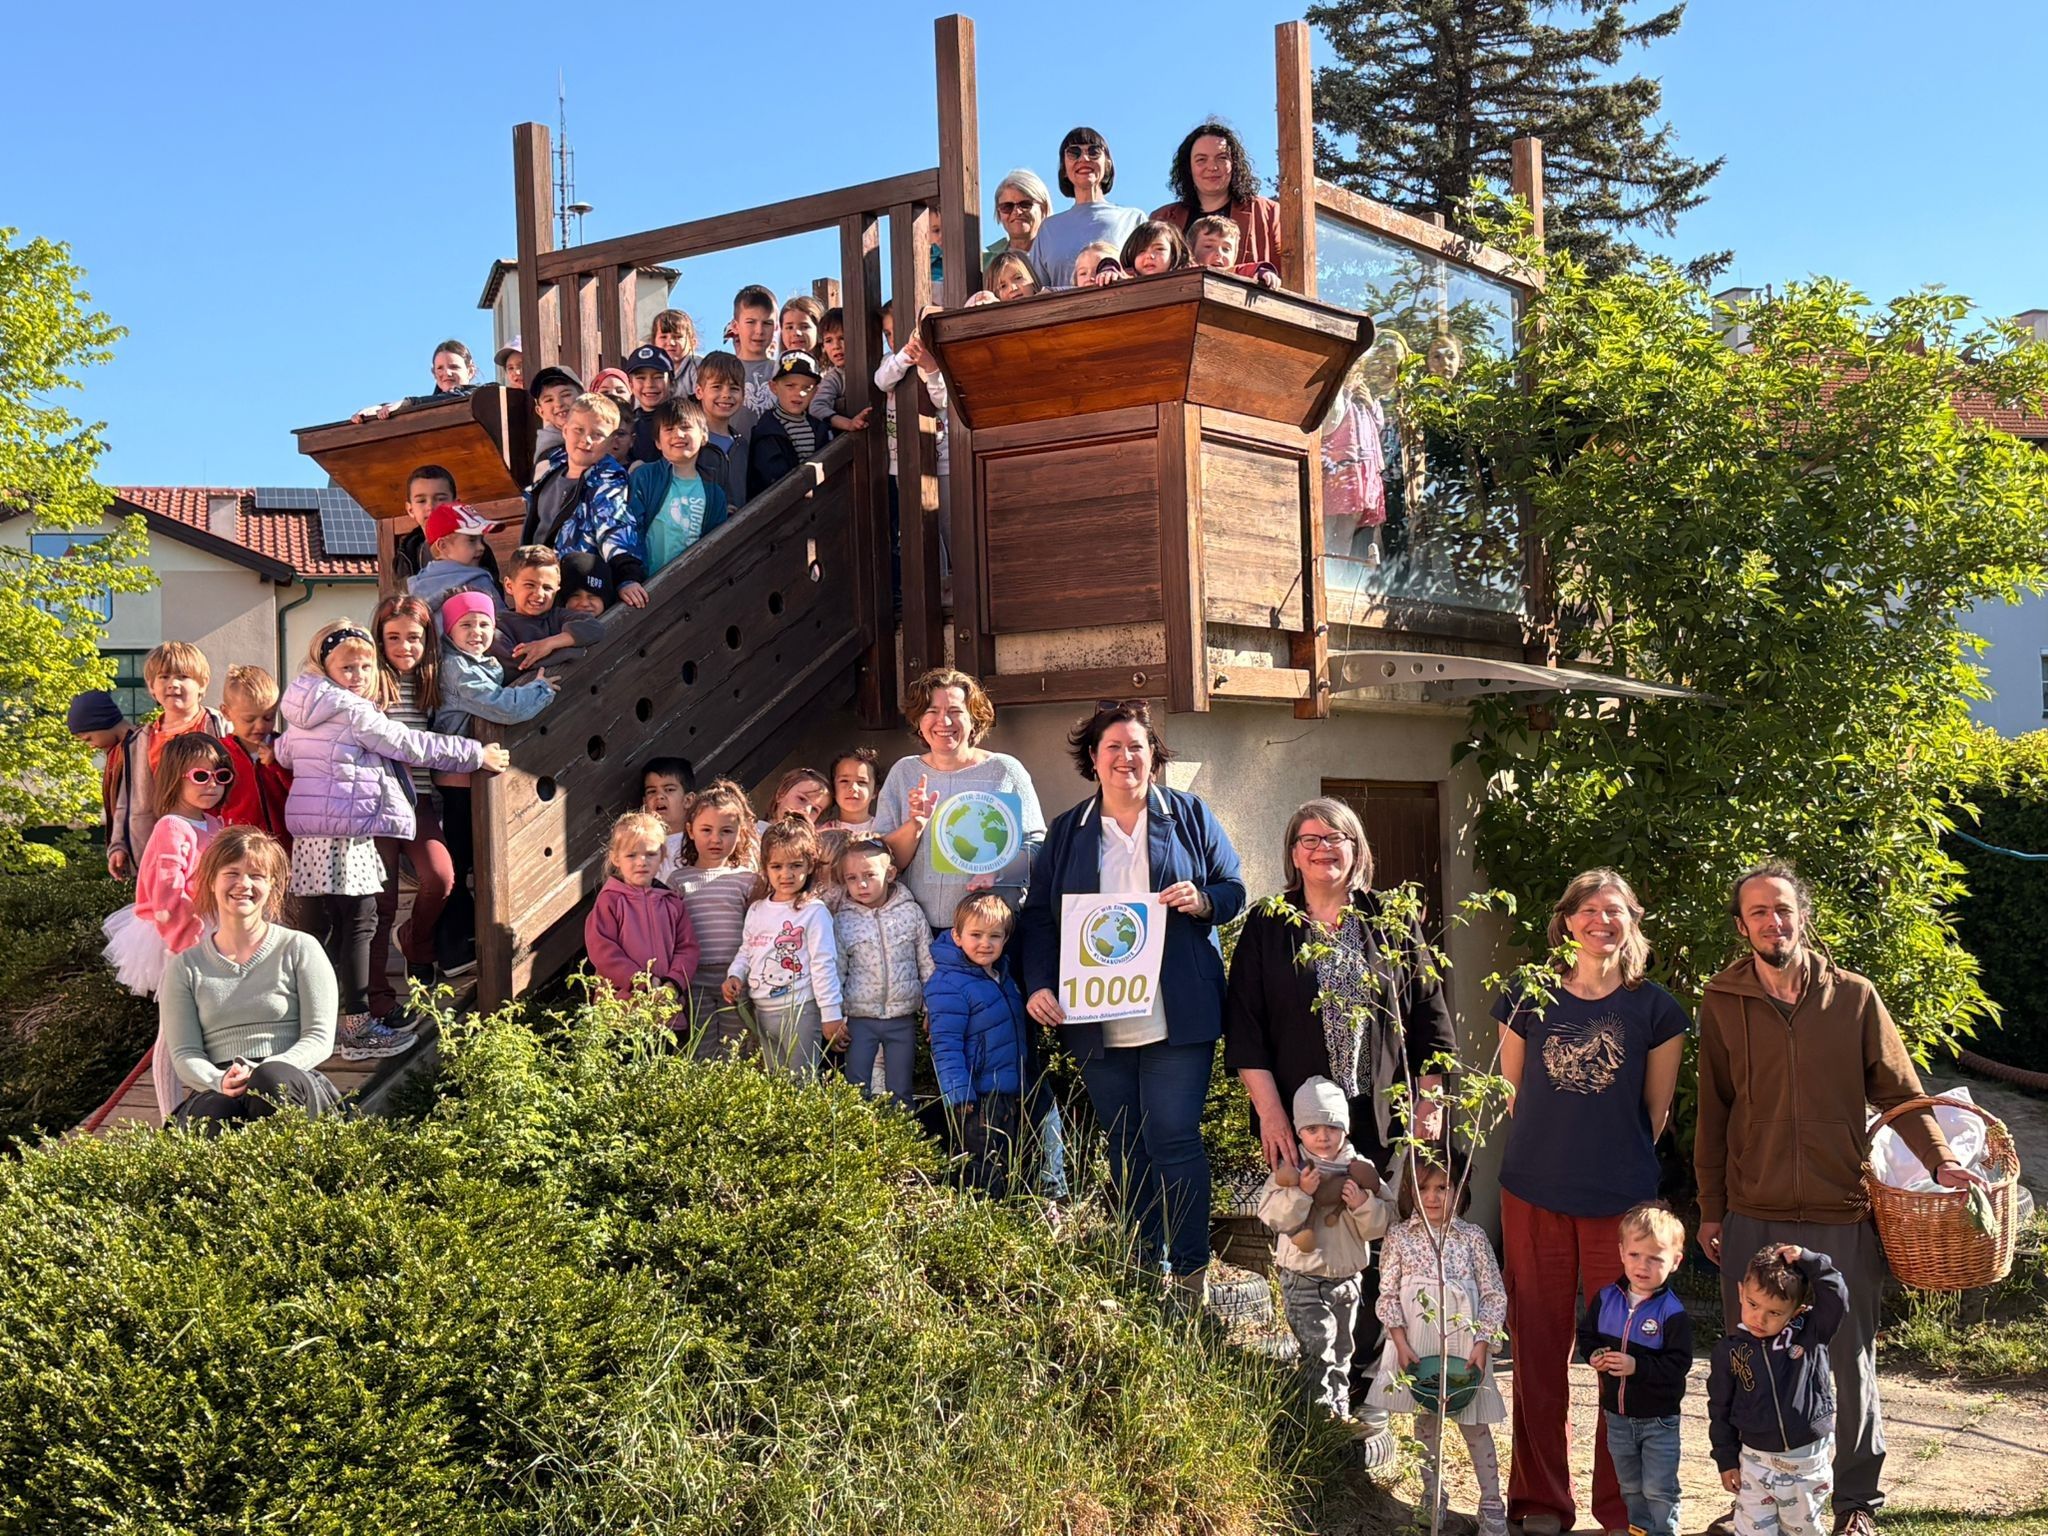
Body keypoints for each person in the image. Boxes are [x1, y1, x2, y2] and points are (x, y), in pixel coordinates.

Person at [1695, 862, 1976, 1536]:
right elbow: (1713, 1109)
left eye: (1783, 908)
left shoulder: (1854, 998)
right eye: (1758, 912)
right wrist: (1710, 1207)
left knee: (1846, 1362)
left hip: (1837, 1208)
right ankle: (1756, 1494)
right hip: (1752, 1209)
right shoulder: (1721, 999)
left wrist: (1940, 1160)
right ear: (1742, 926)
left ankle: (1854, 1503)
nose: (1774, 921)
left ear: (1803, 915)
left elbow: (1902, 1092)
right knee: (1752, 1361)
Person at [1223, 794, 1454, 1463]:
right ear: (1292, 854)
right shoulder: (1270, 923)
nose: (1323, 849)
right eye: (1308, 839)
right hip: (1298, 1119)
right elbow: (1246, 1026)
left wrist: (1429, 1100)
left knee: (1373, 1246)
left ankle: (1365, 1398)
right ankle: (1315, 1389)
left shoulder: (1391, 920)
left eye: (1336, 838)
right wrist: (1270, 1114)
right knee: (1307, 1244)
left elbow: (1430, 1014)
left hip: (1376, 1118)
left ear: (1358, 852)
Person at [1019, 699, 1245, 1294]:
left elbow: (1234, 887)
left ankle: (1192, 1273)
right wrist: (1039, 983)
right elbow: (1041, 917)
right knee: (1124, 1145)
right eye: (1113, 747)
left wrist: (1202, 900)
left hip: (1176, 1014)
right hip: (1095, 1015)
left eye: (1136, 746)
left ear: (1153, 756)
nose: (1125, 757)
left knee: (1172, 1136)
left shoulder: (1190, 815)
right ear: (1093, 759)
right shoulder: (1069, 830)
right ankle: (1146, 1265)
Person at [1493, 868, 1688, 1536]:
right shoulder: (1527, 994)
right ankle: (1541, 1502)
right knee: (1536, 1352)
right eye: (1589, 910)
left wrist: (1607, 1162)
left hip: (1621, 1207)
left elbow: (1655, 1113)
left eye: (1616, 911)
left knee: (1618, 1357)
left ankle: (1621, 1509)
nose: (1601, 921)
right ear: (1567, 920)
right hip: (1533, 1194)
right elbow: (1513, 1093)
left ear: (1633, 920)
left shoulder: (1655, 1008)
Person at [278, 618, 508, 1061]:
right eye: (348, 667)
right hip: (348, 834)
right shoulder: (352, 710)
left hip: (310, 838)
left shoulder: (301, 710)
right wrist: (477, 753)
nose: (360, 676)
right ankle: (358, 1028)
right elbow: (408, 744)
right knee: (360, 926)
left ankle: (316, 1023)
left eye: (366, 667)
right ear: (324, 666)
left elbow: (285, 752)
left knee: (327, 930)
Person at [160, 827, 344, 1132]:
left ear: (273, 885)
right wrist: (217, 1080)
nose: (243, 884)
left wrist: (265, 1068)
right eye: (231, 873)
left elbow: (319, 1039)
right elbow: (184, 1053)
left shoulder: (300, 948)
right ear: (211, 880)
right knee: (213, 1110)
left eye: (256, 875)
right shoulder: (185, 967)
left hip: (289, 1076)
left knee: (271, 1081)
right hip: (219, 1082)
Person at [1365, 1150, 1507, 1536]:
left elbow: (1495, 1294)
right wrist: (1398, 1340)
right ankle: (1432, 1498)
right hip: (1416, 1343)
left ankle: (1492, 1505)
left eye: (1443, 1187)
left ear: (1460, 1189)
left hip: (1466, 1346)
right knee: (1425, 1422)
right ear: (1411, 1189)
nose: (1432, 1197)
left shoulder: (1473, 1237)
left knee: (1474, 1425)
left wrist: (1483, 1342)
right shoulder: (1399, 1236)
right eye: (1424, 1188)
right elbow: (1388, 1294)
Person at [1258, 1078, 1394, 1422]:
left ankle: (1338, 1411)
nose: (1323, 1136)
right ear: (1299, 1132)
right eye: (1312, 1128)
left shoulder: (1361, 1170)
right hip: (1303, 1276)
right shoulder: (1291, 1169)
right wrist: (1302, 1193)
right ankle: (1315, 1418)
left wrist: (1363, 1204)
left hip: (1347, 1278)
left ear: (1345, 1129)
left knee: (1342, 1351)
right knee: (1319, 1346)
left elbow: (1384, 1224)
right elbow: (1272, 1215)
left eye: (1332, 1126)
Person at [1708, 1245, 1850, 1536]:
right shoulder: (1730, 1350)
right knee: (1751, 1530)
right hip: (1754, 1460)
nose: (1759, 1319)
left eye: (1774, 1312)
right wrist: (1725, 1458)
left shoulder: (1810, 1333)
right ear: (1740, 1292)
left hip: (1805, 1460)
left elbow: (1837, 1298)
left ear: (1796, 1311)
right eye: (1752, 1304)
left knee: (1801, 1530)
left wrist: (1813, 1262)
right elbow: (1720, 1407)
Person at [1576, 1202, 1695, 1536]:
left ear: (1675, 1262)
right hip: (1617, 1417)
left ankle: (1663, 1532)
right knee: (1629, 1486)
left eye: (1655, 1258)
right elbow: (1586, 1335)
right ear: (1621, 1252)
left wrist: (1637, 1366)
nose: (1643, 1266)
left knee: (1659, 1488)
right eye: (1635, 1255)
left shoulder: (1672, 1313)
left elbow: (1678, 1365)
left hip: (1658, 1420)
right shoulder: (1606, 1299)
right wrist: (1595, 1354)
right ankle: (1638, 1531)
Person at [367, 594, 455, 1028]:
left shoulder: (431, 683)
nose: (404, 646)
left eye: (414, 638)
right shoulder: (369, 685)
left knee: (440, 877)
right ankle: (378, 997)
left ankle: (416, 943)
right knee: (379, 902)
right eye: (393, 638)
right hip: (378, 805)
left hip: (418, 801)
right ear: (379, 641)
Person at [101, 730, 232, 1000]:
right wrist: (189, 945)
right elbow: (167, 894)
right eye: (200, 776)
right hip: (176, 933)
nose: (212, 785)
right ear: (175, 778)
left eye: (220, 776)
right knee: (182, 1016)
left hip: (212, 926)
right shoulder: (171, 828)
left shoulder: (215, 824)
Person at [106, 641, 253, 878]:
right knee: (169, 904)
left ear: (202, 684)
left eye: (183, 676)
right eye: (163, 677)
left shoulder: (221, 727)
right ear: (152, 687)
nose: (173, 684)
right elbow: (127, 799)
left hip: (214, 840)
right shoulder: (141, 740)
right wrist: (119, 844)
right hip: (163, 846)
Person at [722, 817, 842, 1077]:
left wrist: (831, 1014)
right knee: (776, 1081)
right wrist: (735, 975)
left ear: (810, 865)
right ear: (765, 867)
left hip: (801, 1010)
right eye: (776, 866)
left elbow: (824, 964)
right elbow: (747, 950)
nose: (785, 874)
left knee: (801, 1080)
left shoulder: (814, 911)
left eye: (795, 865)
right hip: (762, 1011)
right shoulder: (757, 909)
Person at [928, 892, 1029, 1194]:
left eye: (994, 936)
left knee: (1006, 1160)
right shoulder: (948, 983)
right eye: (976, 935)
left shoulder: (1003, 977)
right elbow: (945, 1044)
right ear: (957, 936)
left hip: (1006, 1091)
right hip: (976, 1095)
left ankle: (1005, 1219)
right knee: (980, 1164)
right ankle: (982, 1220)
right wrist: (959, 1094)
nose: (985, 943)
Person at [521, 392, 648, 610]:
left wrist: (627, 575)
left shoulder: (607, 479)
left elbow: (615, 524)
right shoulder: (550, 472)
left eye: (597, 434)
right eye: (579, 430)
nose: (586, 440)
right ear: (565, 430)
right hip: (543, 586)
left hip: (582, 590)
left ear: (610, 443)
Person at [834, 835, 935, 1107]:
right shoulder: (843, 921)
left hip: (901, 1017)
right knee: (856, 1087)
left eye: (869, 875)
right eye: (851, 878)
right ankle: (857, 1139)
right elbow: (838, 971)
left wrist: (931, 1008)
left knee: (900, 1087)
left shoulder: (910, 913)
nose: (861, 885)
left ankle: (903, 1138)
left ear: (889, 874)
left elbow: (927, 963)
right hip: (859, 1019)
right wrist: (836, 1016)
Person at [584, 810, 700, 1026]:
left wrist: (672, 985)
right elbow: (603, 950)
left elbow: (688, 949)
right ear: (615, 858)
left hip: (665, 1012)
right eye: (631, 855)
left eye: (650, 854)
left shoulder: (672, 903)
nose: (641, 862)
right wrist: (642, 982)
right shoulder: (610, 901)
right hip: (620, 1013)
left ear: (662, 855)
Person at [670, 779, 759, 1053]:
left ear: (740, 833)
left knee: (738, 1047)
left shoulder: (746, 879)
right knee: (701, 1047)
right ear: (690, 831)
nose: (716, 839)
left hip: (734, 977)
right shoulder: (678, 880)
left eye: (726, 831)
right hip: (694, 977)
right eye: (706, 830)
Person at [1150, 121, 1283, 268]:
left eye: (1222, 158)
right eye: (1201, 160)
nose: (1212, 167)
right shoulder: (1162, 218)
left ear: (1235, 164)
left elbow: (1291, 273)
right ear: (1188, 167)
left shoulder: (1268, 213)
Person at [1029, 127, 1145, 290]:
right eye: (1073, 153)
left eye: (1094, 151)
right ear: (1064, 168)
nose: (1084, 158)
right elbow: (1034, 290)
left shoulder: (1133, 219)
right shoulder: (1049, 229)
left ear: (1108, 164)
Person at [628, 397, 729, 575]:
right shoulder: (645, 477)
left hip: (690, 585)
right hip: (646, 585)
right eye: (669, 429)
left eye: (686, 427)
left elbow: (715, 546)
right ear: (658, 442)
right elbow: (631, 529)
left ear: (704, 436)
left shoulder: (715, 494)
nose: (678, 434)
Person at [493, 545, 604, 670]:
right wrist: (571, 652)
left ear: (557, 589)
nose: (539, 594)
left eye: (547, 588)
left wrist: (549, 644)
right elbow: (519, 665)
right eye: (529, 585)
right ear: (509, 586)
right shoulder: (498, 626)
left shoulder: (558, 616)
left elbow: (594, 627)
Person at [394, 465, 502, 587]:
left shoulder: (476, 550)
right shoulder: (407, 555)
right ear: (410, 509)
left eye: (440, 499)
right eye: (421, 501)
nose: (430, 507)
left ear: (455, 503)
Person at [219, 664, 291, 844]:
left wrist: (277, 764)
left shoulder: (285, 747)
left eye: (268, 717)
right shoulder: (218, 754)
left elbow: (301, 792)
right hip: (237, 848)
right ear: (226, 712)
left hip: (283, 848)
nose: (260, 726)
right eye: (249, 719)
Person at [747, 352, 834, 499]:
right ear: (774, 387)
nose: (799, 393)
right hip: (780, 505)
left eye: (806, 387)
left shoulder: (820, 429)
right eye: (790, 385)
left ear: (815, 392)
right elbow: (770, 476)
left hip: (819, 507)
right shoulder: (766, 431)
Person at [405, 501, 504, 617]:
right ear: (443, 546)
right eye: (472, 540)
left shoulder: (417, 587)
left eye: (481, 540)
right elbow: (503, 626)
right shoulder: (479, 582)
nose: (481, 547)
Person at [67, 688, 134, 858]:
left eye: (88, 738)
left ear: (103, 722)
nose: (91, 746)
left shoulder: (140, 747)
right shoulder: (116, 753)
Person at [352, 339, 476, 422]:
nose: (446, 373)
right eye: (440, 368)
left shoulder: (481, 395)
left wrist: (408, 403)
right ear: (433, 373)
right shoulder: (424, 411)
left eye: (454, 367)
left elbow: (458, 397)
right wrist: (379, 410)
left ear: (470, 371)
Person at [692, 351, 752, 512]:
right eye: (717, 387)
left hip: (738, 531)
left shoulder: (742, 445)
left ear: (743, 394)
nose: (726, 395)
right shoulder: (690, 440)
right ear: (699, 391)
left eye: (733, 388)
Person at [806, 309, 875, 438]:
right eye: (828, 340)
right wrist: (849, 424)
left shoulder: (877, 364)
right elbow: (816, 407)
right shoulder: (834, 377)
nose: (836, 346)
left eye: (842, 338)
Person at [726, 284, 780, 430]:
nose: (759, 331)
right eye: (750, 322)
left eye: (767, 323)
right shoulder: (723, 372)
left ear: (776, 327)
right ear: (735, 326)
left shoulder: (782, 371)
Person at [982, 168, 1053, 278]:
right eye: (1007, 207)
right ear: (999, 212)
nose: (1017, 212)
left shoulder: (1059, 254)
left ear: (1043, 208)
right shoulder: (985, 262)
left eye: (1025, 204)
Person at [641, 756, 693, 886]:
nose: (659, 796)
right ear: (645, 804)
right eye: (652, 791)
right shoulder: (643, 848)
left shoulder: (699, 842)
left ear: (688, 800)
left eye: (669, 789)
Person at [621, 344, 675, 469]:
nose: (649, 384)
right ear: (630, 384)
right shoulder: (628, 423)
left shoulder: (682, 419)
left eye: (658, 377)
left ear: (671, 382)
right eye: (641, 378)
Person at [1187, 215, 1281, 287]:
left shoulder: (1233, 272)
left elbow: (1245, 270)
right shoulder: (1186, 271)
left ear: (1235, 255)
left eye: (1226, 249)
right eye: (1208, 246)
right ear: (1191, 250)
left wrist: (1262, 273)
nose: (1219, 254)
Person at [527, 366, 583, 467]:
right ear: (540, 412)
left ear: (584, 397)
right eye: (549, 400)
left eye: (566, 395)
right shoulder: (548, 457)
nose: (558, 404)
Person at [650, 308, 700, 397]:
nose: (670, 343)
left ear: (692, 342)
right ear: (653, 343)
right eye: (663, 337)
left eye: (677, 337)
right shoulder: (648, 370)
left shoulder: (697, 366)